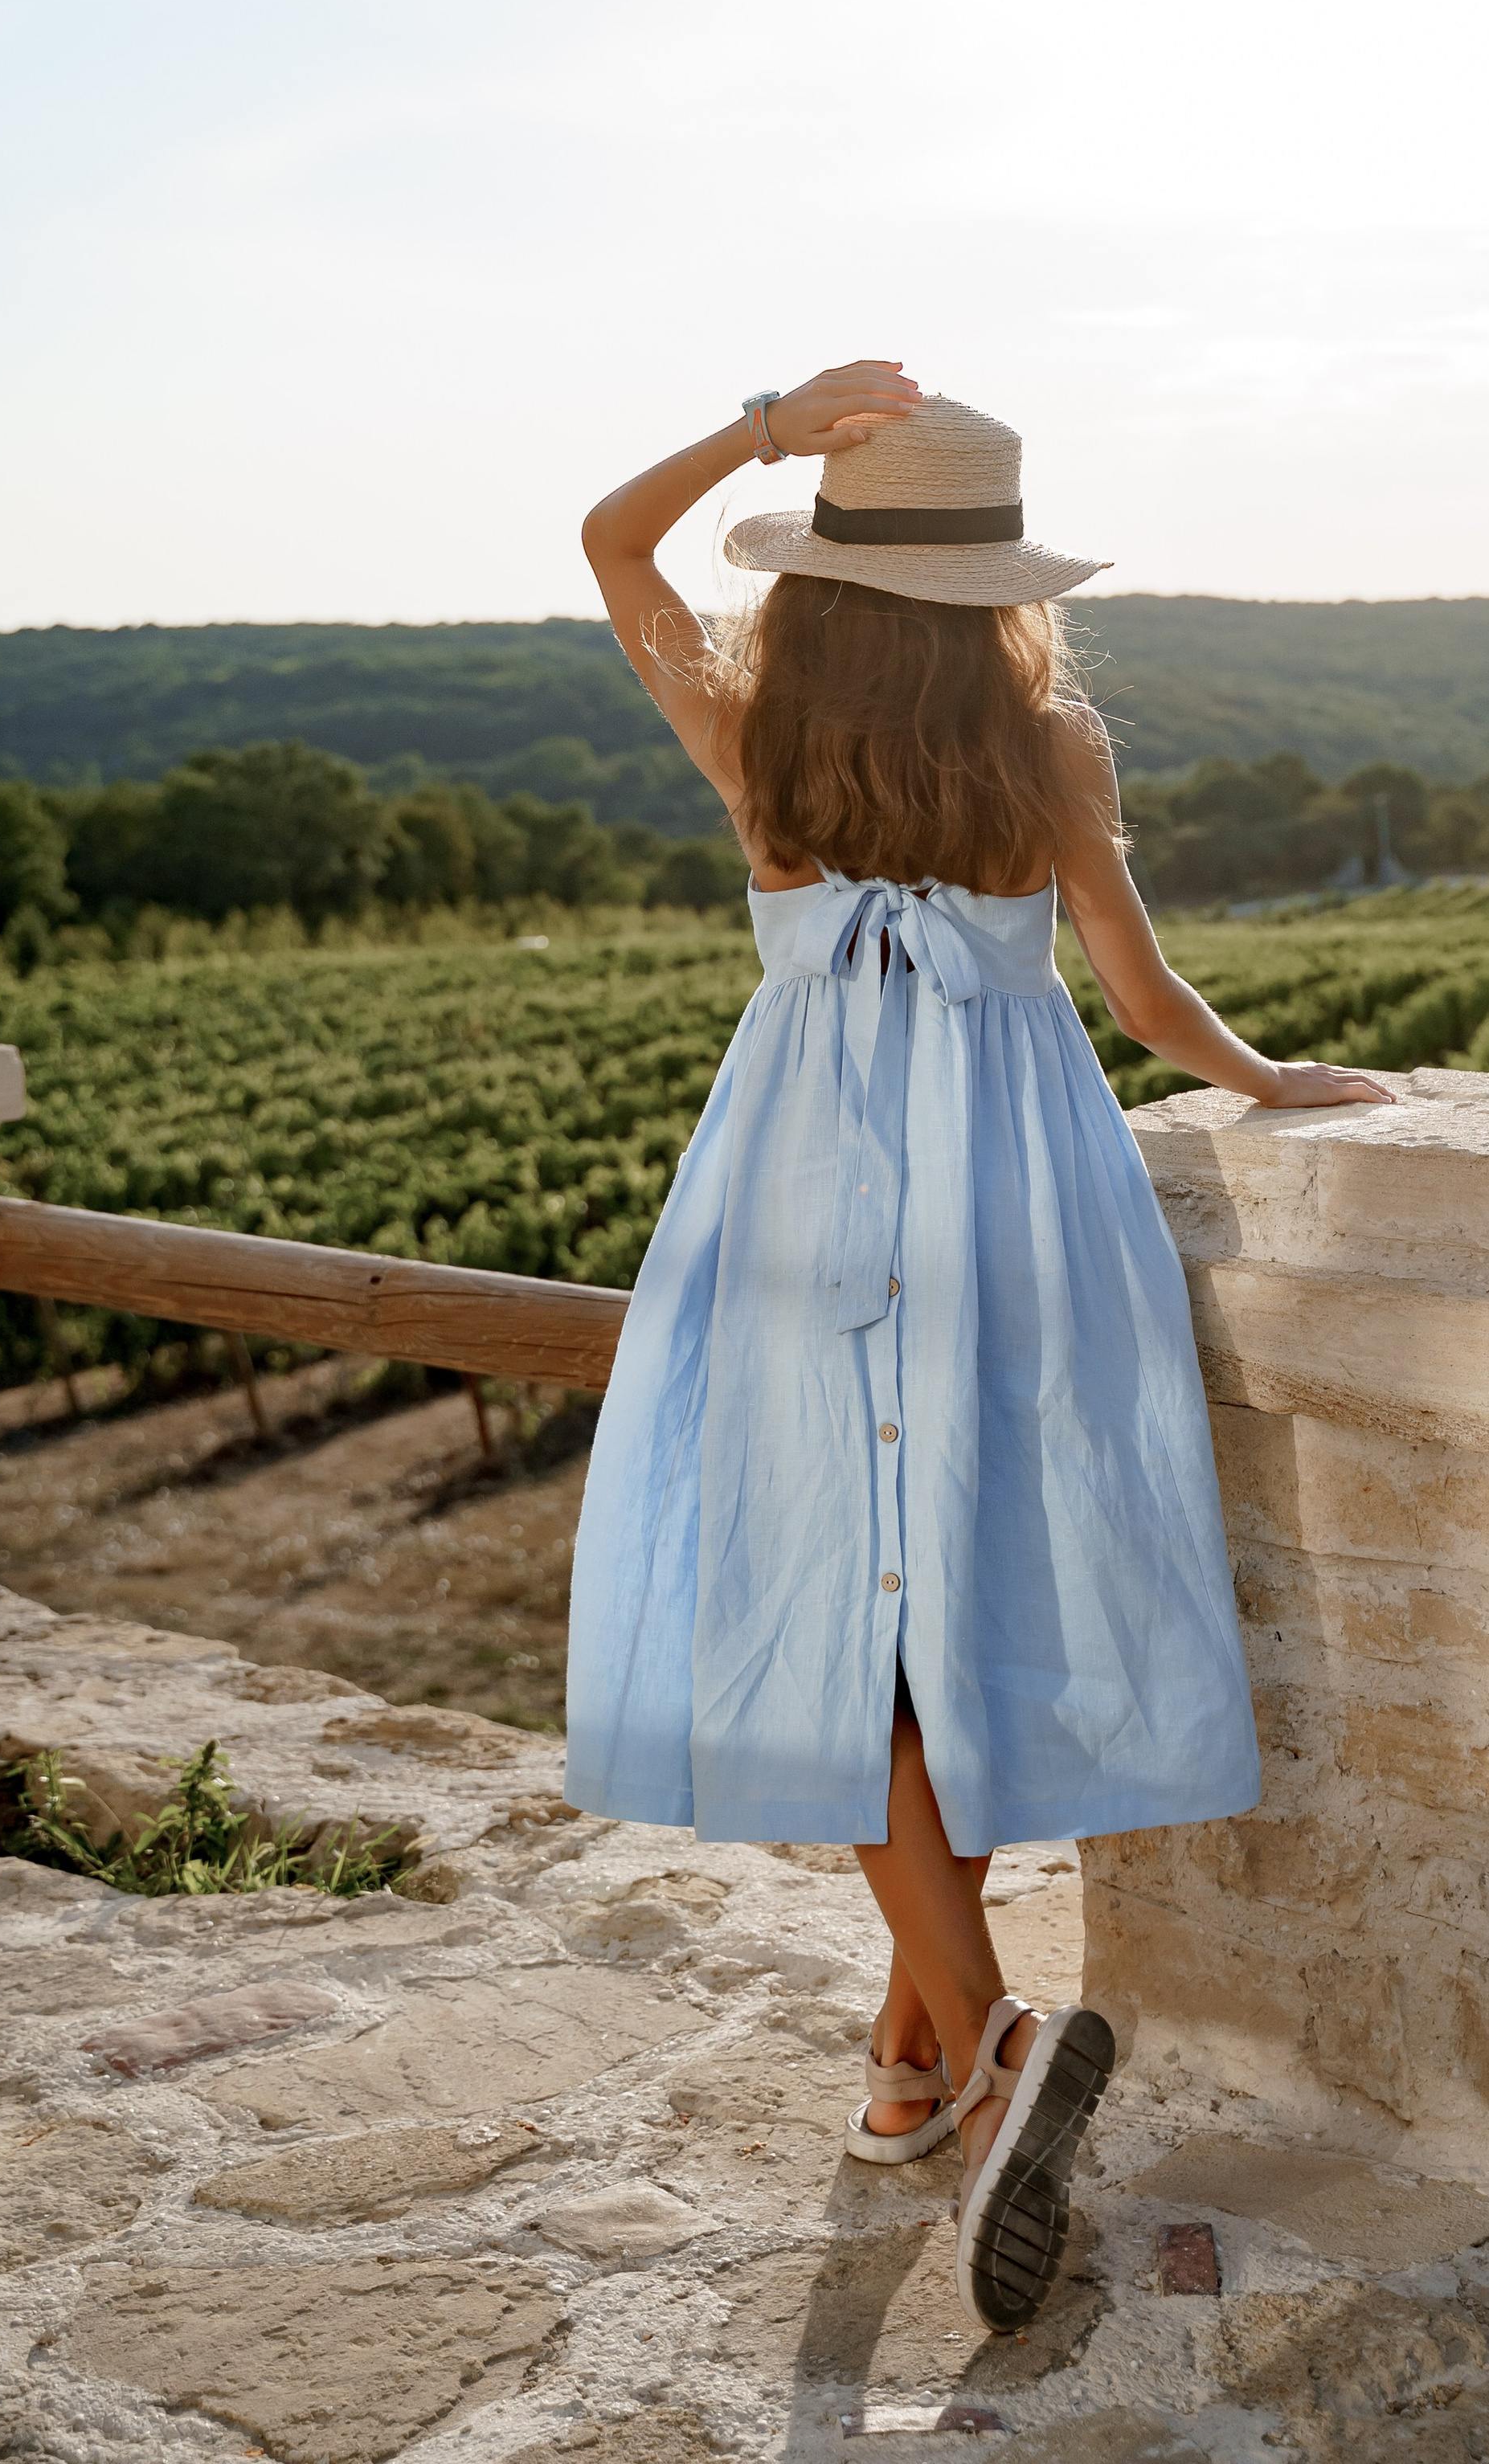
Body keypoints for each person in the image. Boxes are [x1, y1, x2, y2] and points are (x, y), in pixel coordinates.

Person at [567, 363, 1393, 2332]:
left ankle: (954, 2046)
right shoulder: (1051, 743)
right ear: (1000, 583)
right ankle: (948, 2051)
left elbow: (610, 543)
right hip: (1022, 1210)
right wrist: (1269, 1082)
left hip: (793, 1207)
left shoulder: (753, 729)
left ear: (825, 574)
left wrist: (763, 421)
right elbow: (1140, 988)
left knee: (836, 1607)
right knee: (963, 1589)